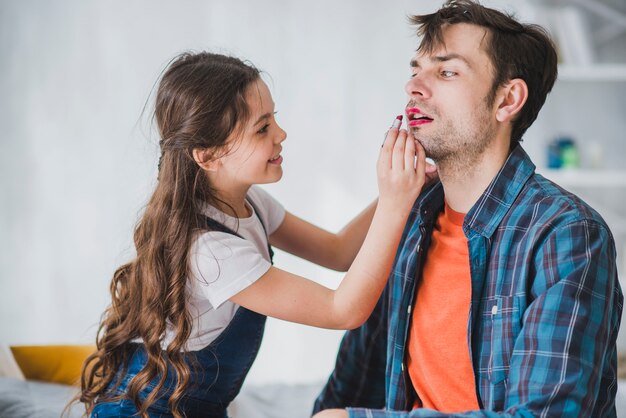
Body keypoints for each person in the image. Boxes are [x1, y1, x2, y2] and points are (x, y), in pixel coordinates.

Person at [75, 52, 434, 417]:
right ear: (208, 155)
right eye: (262, 128)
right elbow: (341, 310)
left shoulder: (249, 203)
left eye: (274, 118)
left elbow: (338, 251)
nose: (281, 134)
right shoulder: (211, 253)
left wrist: (406, 188)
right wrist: (394, 203)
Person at [312, 1, 623, 417]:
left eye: (446, 72)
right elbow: (356, 377)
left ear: (507, 100)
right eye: (415, 70)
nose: (414, 87)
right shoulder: (406, 217)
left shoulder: (566, 234)